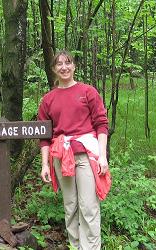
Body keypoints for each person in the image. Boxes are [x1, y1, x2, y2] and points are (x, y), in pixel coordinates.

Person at [38, 50, 112, 249]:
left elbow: (101, 125)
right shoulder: (48, 100)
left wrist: (103, 156)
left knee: (88, 207)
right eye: (59, 64)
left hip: (86, 155)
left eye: (68, 63)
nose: (64, 67)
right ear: (54, 69)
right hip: (61, 157)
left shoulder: (88, 92)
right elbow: (44, 137)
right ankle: (75, 245)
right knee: (70, 206)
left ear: (74, 66)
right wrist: (45, 164)